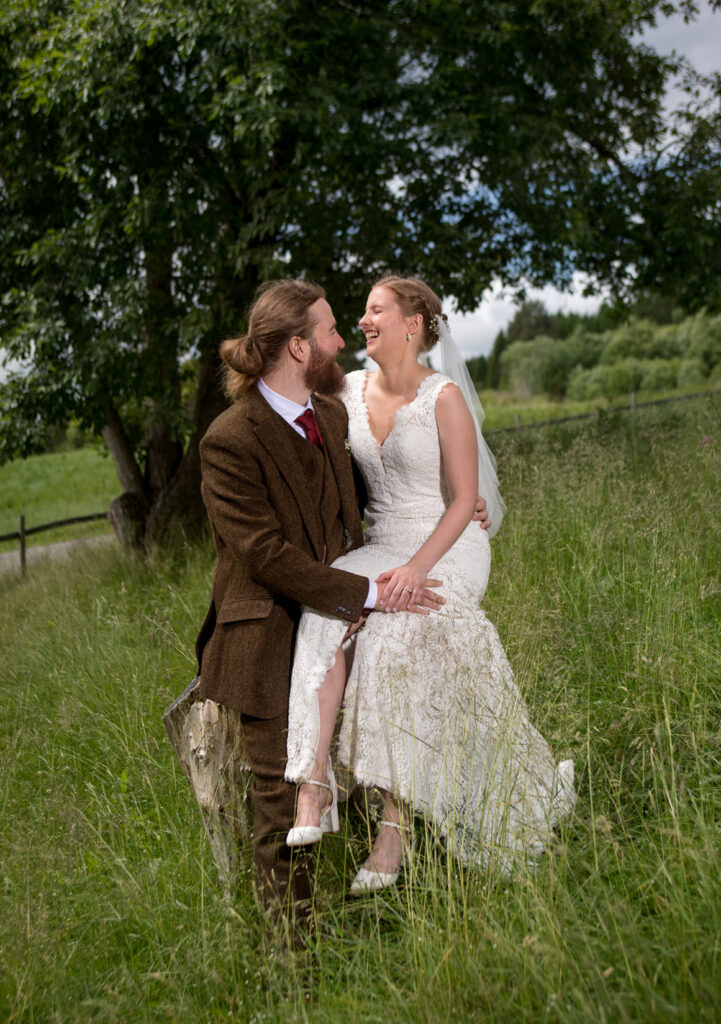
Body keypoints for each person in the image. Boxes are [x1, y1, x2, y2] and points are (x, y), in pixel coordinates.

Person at [285, 276, 575, 891]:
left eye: (374, 311)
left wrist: (419, 568)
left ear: (413, 323)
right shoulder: (349, 388)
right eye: (361, 313)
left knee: (400, 636)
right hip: (383, 540)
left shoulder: (443, 398)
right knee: (326, 609)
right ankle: (313, 784)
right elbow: (297, 405)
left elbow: (464, 498)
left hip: (448, 541)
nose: (363, 321)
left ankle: (396, 830)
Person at [195, 279, 456, 923]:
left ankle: (387, 898)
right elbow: (266, 556)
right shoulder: (229, 440)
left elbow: (362, 508)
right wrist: (372, 593)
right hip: (264, 635)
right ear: (297, 346)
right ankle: (294, 977)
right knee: (281, 812)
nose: (344, 341)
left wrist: (451, 506)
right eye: (331, 331)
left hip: (335, 623)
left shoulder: (331, 413)